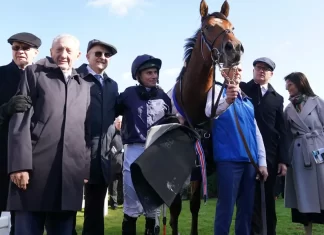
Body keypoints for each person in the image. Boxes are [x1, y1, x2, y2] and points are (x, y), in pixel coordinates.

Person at [7, 34, 91, 235]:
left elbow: (85, 130)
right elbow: (20, 120)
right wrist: (19, 165)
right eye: (59, 50)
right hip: (33, 173)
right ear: (51, 52)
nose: (63, 55)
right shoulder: (34, 73)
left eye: (69, 51)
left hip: (69, 177)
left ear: (78, 55)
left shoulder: (85, 86)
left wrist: (84, 169)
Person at [206, 64, 268, 235]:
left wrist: (262, 162)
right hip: (228, 159)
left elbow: (256, 133)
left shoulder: (247, 101)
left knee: (247, 209)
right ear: (224, 72)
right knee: (226, 208)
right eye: (234, 68)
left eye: (241, 69)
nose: (239, 72)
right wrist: (227, 101)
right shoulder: (216, 92)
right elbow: (209, 112)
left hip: (250, 162)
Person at [117, 54, 172, 235]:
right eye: (149, 72)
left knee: (153, 205)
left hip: (157, 153)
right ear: (138, 75)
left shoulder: (164, 97)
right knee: (131, 199)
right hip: (134, 150)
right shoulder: (127, 95)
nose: (154, 75)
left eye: (155, 72)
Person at [240, 57, 289, 235]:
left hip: (270, 155)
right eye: (258, 67)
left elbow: (282, 130)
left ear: (271, 74)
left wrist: (283, 160)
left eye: (265, 69)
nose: (261, 71)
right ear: (253, 70)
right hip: (245, 152)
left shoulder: (277, 98)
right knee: (248, 198)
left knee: (268, 199)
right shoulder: (242, 89)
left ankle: (270, 232)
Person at [76, 39, 119, 235]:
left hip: (101, 156)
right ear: (87, 56)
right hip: (74, 152)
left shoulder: (112, 85)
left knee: (94, 212)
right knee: (65, 211)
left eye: (106, 55)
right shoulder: (75, 77)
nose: (102, 57)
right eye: (98, 53)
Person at [0, 32, 41, 235]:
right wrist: (5, 109)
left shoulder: (44, 78)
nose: (20, 51)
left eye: (25, 48)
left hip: (34, 157)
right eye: (16, 47)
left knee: (28, 217)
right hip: (3, 155)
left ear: (36, 52)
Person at [283, 72, 324, 235]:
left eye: (290, 85)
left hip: (319, 151)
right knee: (303, 195)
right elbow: (286, 134)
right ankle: (308, 232)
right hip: (299, 155)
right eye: (286, 86)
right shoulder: (288, 109)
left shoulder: (317, 102)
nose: (287, 89)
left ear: (300, 83)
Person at [107, 116, 124, 210]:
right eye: (119, 123)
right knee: (113, 184)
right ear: (115, 123)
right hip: (113, 163)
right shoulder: (112, 133)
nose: (120, 124)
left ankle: (121, 200)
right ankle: (114, 202)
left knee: (122, 184)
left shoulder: (124, 133)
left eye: (121, 123)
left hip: (123, 163)